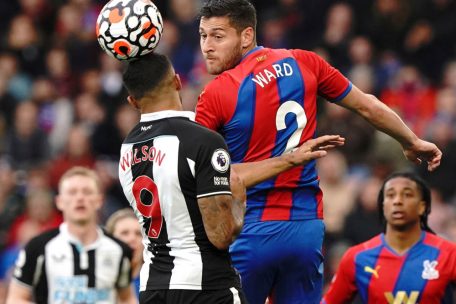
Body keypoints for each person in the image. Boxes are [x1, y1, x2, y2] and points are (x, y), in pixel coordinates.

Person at [195, 1, 442, 303]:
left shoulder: (216, 93)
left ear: (247, 36)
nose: (207, 46)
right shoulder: (304, 62)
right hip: (306, 230)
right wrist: (411, 141)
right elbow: (366, 104)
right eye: (203, 35)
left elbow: (209, 178)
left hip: (251, 230)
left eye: (217, 36)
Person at [117, 52, 344, 304]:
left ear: (132, 101)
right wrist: (238, 203)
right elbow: (221, 234)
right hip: (206, 286)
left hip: (153, 287)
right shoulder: (202, 140)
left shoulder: (127, 149)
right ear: (178, 82)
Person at [6, 166, 136, 304]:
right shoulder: (38, 248)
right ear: (59, 202)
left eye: (87, 192)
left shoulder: (118, 249)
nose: (80, 198)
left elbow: (127, 298)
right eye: (72, 192)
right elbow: (16, 298)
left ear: (99, 201)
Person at [322, 172, 456, 303]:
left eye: (407, 195)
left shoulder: (449, 254)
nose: (397, 201)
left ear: (422, 207)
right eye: (390, 195)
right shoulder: (357, 257)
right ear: (383, 206)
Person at [106, 208, 143, 300]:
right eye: (124, 233)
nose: (132, 238)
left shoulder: (156, 283)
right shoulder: (100, 279)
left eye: (138, 234)